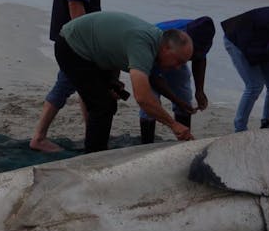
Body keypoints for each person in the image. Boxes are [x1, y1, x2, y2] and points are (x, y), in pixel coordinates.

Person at [55, 11, 194, 153]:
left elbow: (116, 48)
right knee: (102, 105)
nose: (178, 67)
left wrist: (113, 80)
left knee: (106, 101)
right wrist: (173, 124)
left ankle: (97, 149)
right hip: (72, 46)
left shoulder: (156, 41)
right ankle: (93, 156)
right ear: (166, 48)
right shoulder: (143, 46)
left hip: (93, 49)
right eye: (179, 60)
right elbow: (143, 98)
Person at [29, 0, 101, 153]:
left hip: (70, 37)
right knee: (65, 84)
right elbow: (75, 5)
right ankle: (39, 137)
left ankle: (91, 134)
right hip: (75, 40)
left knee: (85, 85)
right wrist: (86, 43)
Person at [139, 17, 215, 144]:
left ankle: (184, 142)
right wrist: (176, 101)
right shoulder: (161, 39)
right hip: (151, 54)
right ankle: (146, 144)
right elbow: (154, 79)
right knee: (151, 100)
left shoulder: (203, 33)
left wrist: (199, 91)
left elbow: (200, 58)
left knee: (185, 95)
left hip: (176, 54)